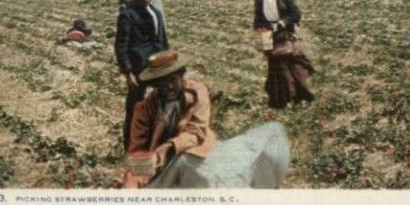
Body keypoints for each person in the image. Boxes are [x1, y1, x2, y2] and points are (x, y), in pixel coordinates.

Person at [122, 51, 290, 189]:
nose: (169, 87)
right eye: (162, 84)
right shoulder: (145, 107)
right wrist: (143, 166)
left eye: (173, 80)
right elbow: (136, 147)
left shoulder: (197, 92)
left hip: (192, 151)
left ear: (182, 76)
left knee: (205, 180)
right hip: (158, 162)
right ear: (156, 85)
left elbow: (196, 131)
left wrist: (168, 149)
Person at [115, 0, 170, 149]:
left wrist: (169, 63)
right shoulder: (128, 14)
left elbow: (162, 41)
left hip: (157, 67)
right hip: (138, 69)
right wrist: (128, 72)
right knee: (135, 107)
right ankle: (130, 145)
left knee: (159, 104)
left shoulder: (156, 13)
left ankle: (155, 141)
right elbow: (121, 46)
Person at [253, 0, 314, 109]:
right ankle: (279, 100)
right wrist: (259, 28)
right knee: (274, 65)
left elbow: (296, 14)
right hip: (267, 32)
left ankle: (296, 97)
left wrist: (280, 23)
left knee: (291, 64)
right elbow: (258, 15)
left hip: (285, 31)